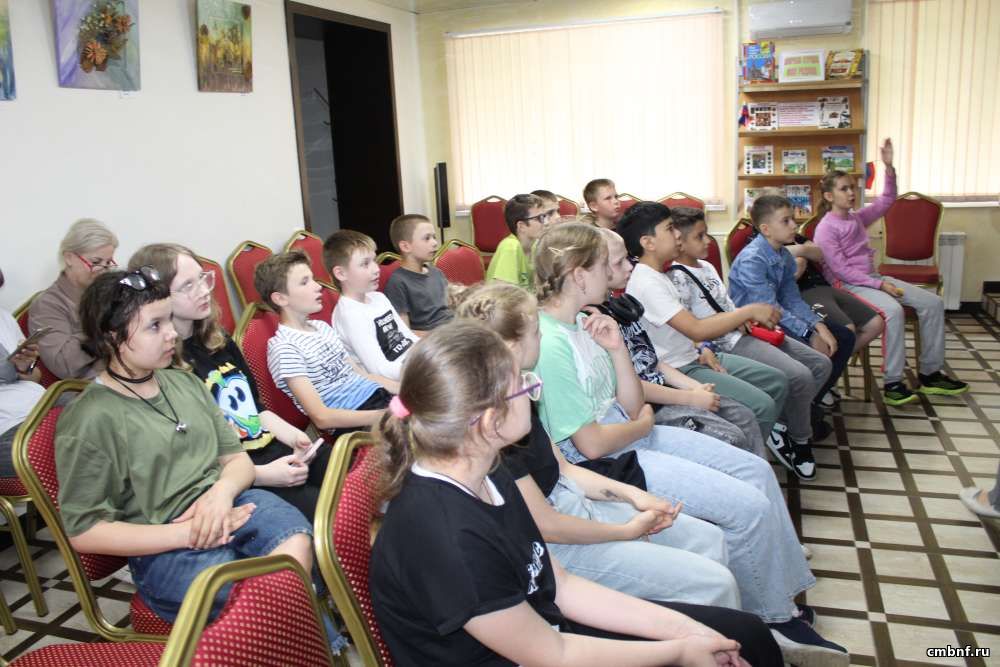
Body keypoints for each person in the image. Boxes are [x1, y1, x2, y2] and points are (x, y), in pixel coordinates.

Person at [369, 319, 782, 667]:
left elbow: (560, 586)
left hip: (545, 631)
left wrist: (688, 631)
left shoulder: (489, 471)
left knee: (744, 634)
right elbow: (554, 654)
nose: (533, 391)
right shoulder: (447, 538)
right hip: (539, 652)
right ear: (490, 420)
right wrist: (678, 652)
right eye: (524, 386)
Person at [532, 223, 846, 665]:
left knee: (755, 470)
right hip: (615, 460)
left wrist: (618, 350)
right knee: (746, 508)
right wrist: (642, 424)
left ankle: (778, 594)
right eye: (606, 264)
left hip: (634, 436)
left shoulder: (586, 322)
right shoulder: (551, 344)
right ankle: (773, 619)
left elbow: (631, 402)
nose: (616, 272)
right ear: (579, 275)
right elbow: (593, 445)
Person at [454, 281, 741, 609]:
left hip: (573, 503)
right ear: (510, 346)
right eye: (535, 332)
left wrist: (636, 497)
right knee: (714, 583)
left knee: (709, 538)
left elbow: (564, 469)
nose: (542, 336)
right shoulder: (494, 427)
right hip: (560, 546)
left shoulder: (519, 392)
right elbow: (548, 526)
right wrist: (627, 530)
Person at [54, 267, 314, 623]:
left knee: (295, 543)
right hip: (164, 543)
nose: (172, 333)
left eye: (168, 320)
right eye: (155, 326)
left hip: (231, 503)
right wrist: (188, 532)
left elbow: (237, 460)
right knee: (257, 592)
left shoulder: (185, 383)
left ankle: (301, 636)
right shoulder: (90, 418)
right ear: (112, 337)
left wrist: (220, 494)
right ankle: (307, 638)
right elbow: (84, 531)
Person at [129, 243, 330, 520]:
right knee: (329, 515)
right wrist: (262, 475)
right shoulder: (162, 366)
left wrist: (296, 438)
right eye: (188, 285)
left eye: (202, 278)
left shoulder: (218, 339)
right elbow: (193, 459)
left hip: (270, 451)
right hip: (235, 476)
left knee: (353, 479)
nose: (204, 290)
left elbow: (255, 409)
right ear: (159, 297)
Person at [617, 203, 790, 445]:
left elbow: (684, 330)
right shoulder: (647, 283)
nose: (678, 234)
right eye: (669, 228)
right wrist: (748, 311)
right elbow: (696, 328)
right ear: (648, 242)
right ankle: (749, 454)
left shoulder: (659, 274)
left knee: (777, 381)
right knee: (761, 406)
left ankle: (758, 441)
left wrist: (701, 346)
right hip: (678, 368)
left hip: (694, 356)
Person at [813, 138, 967, 406]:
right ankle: (893, 382)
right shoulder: (826, 228)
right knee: (893, 312)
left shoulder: (856, 218)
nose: (851, 193)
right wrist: (880, 286)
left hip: (873, 280)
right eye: (844, 189)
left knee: (933, 303)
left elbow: (886, 201)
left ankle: (930, 374)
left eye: (852, 188)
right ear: (829, 196)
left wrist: (889, 168)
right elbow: (842, 271)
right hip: (848, 286)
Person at [708, 200, 850, 480]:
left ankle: (785, 420)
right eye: (786, 221)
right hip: (754, 330)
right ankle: (800, 437)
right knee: (805, 372)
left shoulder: (783, 255)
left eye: (792, 219)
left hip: (776, 324)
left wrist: (817, 326)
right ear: (765, 229)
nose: (794, 226)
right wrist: (809, 334)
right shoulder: (752, 259)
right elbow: (770, 310)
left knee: (822, 363)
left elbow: (791, 299)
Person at [599, 228, 763, 456]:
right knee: (732, 436)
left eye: (628, 259)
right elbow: (628, 385)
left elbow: (652, 361)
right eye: (619, 262)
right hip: (649, 405)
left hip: (667, 384)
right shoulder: (599, 325)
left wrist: (696, 387)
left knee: (742, 415)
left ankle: (756, 475)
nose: (629, 266)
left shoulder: (619, 308)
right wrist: (690, 397)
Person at [255, 250, 391, 434]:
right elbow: (322, 417)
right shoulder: (284, 348)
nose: (317, 286)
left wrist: (405, 390)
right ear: (280, 298)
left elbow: (362, 375)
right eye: (304, 282)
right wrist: (386, 415)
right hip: (355, 421)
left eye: (312, 279)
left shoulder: (322, 327)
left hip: (379, 399)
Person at [785, 234, 883, 406]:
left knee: (876, 323)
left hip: (825, 287)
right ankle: (825, 381)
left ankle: (829, 370)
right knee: (847, 329)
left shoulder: (795, 236)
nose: (793, 225)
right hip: (803, 293)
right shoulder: (756, 242)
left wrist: (799, 251)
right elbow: (792, 274)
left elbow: (818, 253)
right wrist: (804, 252)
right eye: (786, 221)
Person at [30, 218, 119, 379]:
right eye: (96, 262)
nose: (103, 270)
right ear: (69, 258)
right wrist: (101, 326)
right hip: (88, 387)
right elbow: (63, 365)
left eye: (108, 263)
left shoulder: (110, 293)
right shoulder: (47, 305)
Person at [324, 230, 416, 381]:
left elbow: (409, 338)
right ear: (341, 273)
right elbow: (380, 370)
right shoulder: (350, 315)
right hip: (394, 382)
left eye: (374, 260)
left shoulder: (378, 298)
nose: (376, 269)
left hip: (412, 367)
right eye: (365, 264)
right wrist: (424, 369)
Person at [0, 266, 45, 478]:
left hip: (37, 405)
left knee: (96, 411)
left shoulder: (4, 318)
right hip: (7, 430)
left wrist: (25, 366)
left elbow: (35, 378)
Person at [384, 213, 453, 334]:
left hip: (455, 329)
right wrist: (441, 336)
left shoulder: (437, 273)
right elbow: (405, 332)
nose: (434, 243)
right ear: (405, 246)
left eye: (434, 237)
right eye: (427, 238)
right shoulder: (398, 283)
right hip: (435, 339)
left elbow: (451, 308)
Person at [485, 194, 553, 289]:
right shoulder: (510, 247)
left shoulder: (535, 245)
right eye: (539, 218)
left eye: (545, 216)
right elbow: (504, 294)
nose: (546, 222)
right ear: (521, 226)